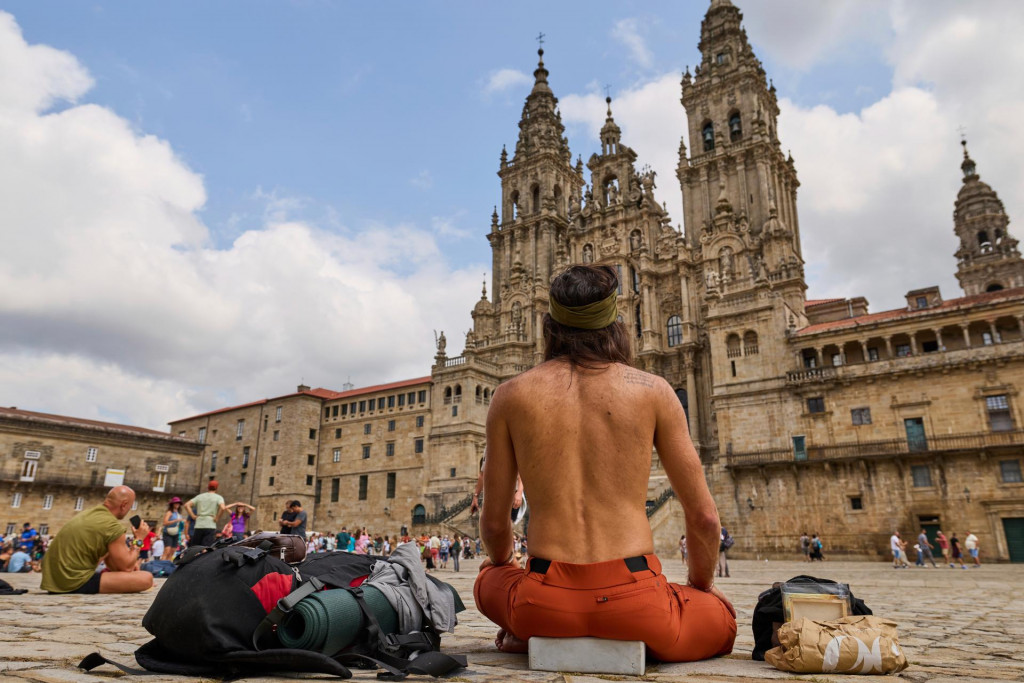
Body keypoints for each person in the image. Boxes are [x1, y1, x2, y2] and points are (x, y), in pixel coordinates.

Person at [474, 265, 736, 662]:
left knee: (487, 580)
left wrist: (507, 568)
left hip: (542, 604)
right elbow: (704, 519)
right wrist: (699, 588)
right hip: (639, 605)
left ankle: (530, 631)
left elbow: (494, 525)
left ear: (550, 325)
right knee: (723, 618)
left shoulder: (510, 396)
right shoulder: (655, 391)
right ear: (616, 324)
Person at [40, 486, 154, 594]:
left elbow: (118, 566)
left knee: (130, 571)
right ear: (124, 505)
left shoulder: (90, 514)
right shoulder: (112, 526)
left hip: (53, 580)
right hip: (73, 582)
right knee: (146, 578)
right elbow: (127, 567)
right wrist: (139, 539)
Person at [185, 481, 229, 547]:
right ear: (217, 488)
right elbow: (222, 508)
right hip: (210, 524)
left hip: (199, 524)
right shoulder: (218, 497)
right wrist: (217, 518)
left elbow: (187, 505)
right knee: (206, 548)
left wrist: (193, 516)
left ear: (208, 487)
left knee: (195, 547)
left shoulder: (200, 496)